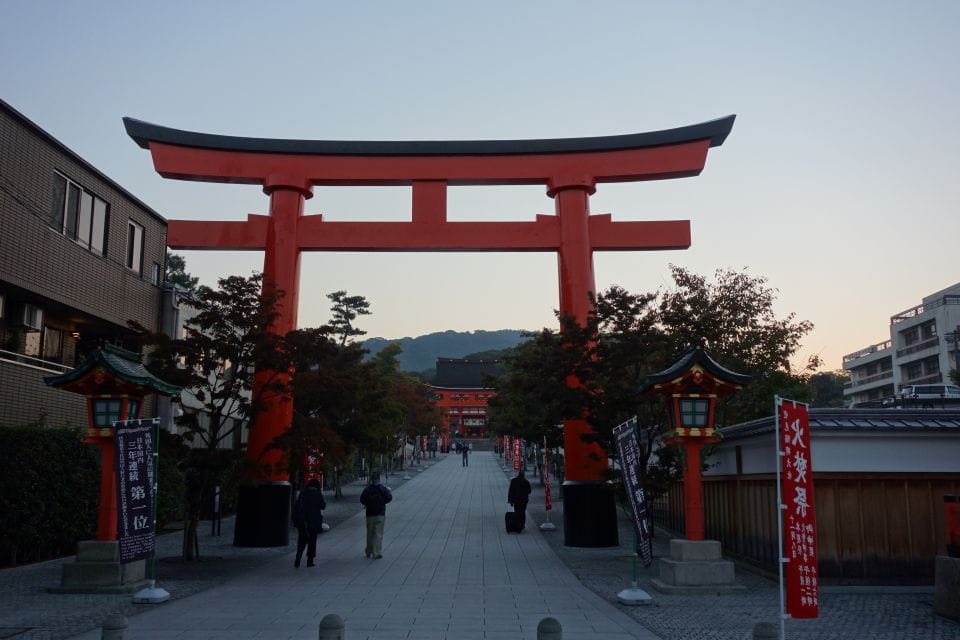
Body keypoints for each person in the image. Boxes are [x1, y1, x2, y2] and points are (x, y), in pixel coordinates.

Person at [292, 478, 326, 568]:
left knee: (301, 540)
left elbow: (297, 506)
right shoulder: (317, 494)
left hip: (303, 521)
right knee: (312, 542)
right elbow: (323, 506)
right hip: (313, 521)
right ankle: (309, 561)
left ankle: (297, 559)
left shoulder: (303, 493)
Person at [360, 471, 392, 559]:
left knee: (369, 533)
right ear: (379, 479)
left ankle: (368, 551)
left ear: (371, 480)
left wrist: (367, 504)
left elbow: (362, 499)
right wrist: (382, 503)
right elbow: (389, 497)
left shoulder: (367, 490)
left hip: (369, 514)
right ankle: (376, 552)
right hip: (380, 513)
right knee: (378, 533)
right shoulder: (382, 489)